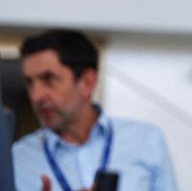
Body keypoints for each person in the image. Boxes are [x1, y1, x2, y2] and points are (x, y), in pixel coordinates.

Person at [12, 29, 178, 191]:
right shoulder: (15, 160)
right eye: (29, 83)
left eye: (49, 79)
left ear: (87, 82)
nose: (36, 96)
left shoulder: (146, 141)